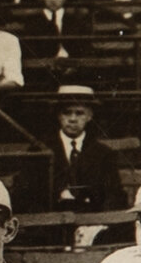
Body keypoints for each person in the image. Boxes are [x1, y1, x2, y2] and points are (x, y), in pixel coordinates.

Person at [42, 86, 125, 223]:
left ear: (89, 116)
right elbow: (31, 195)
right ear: (58, 115)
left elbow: (113, 195)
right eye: (67, 113)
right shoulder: (42, 150)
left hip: (92, 224)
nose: (72, 119)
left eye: (79, 113)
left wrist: (100, 225)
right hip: (53, 224)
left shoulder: (104, 153)